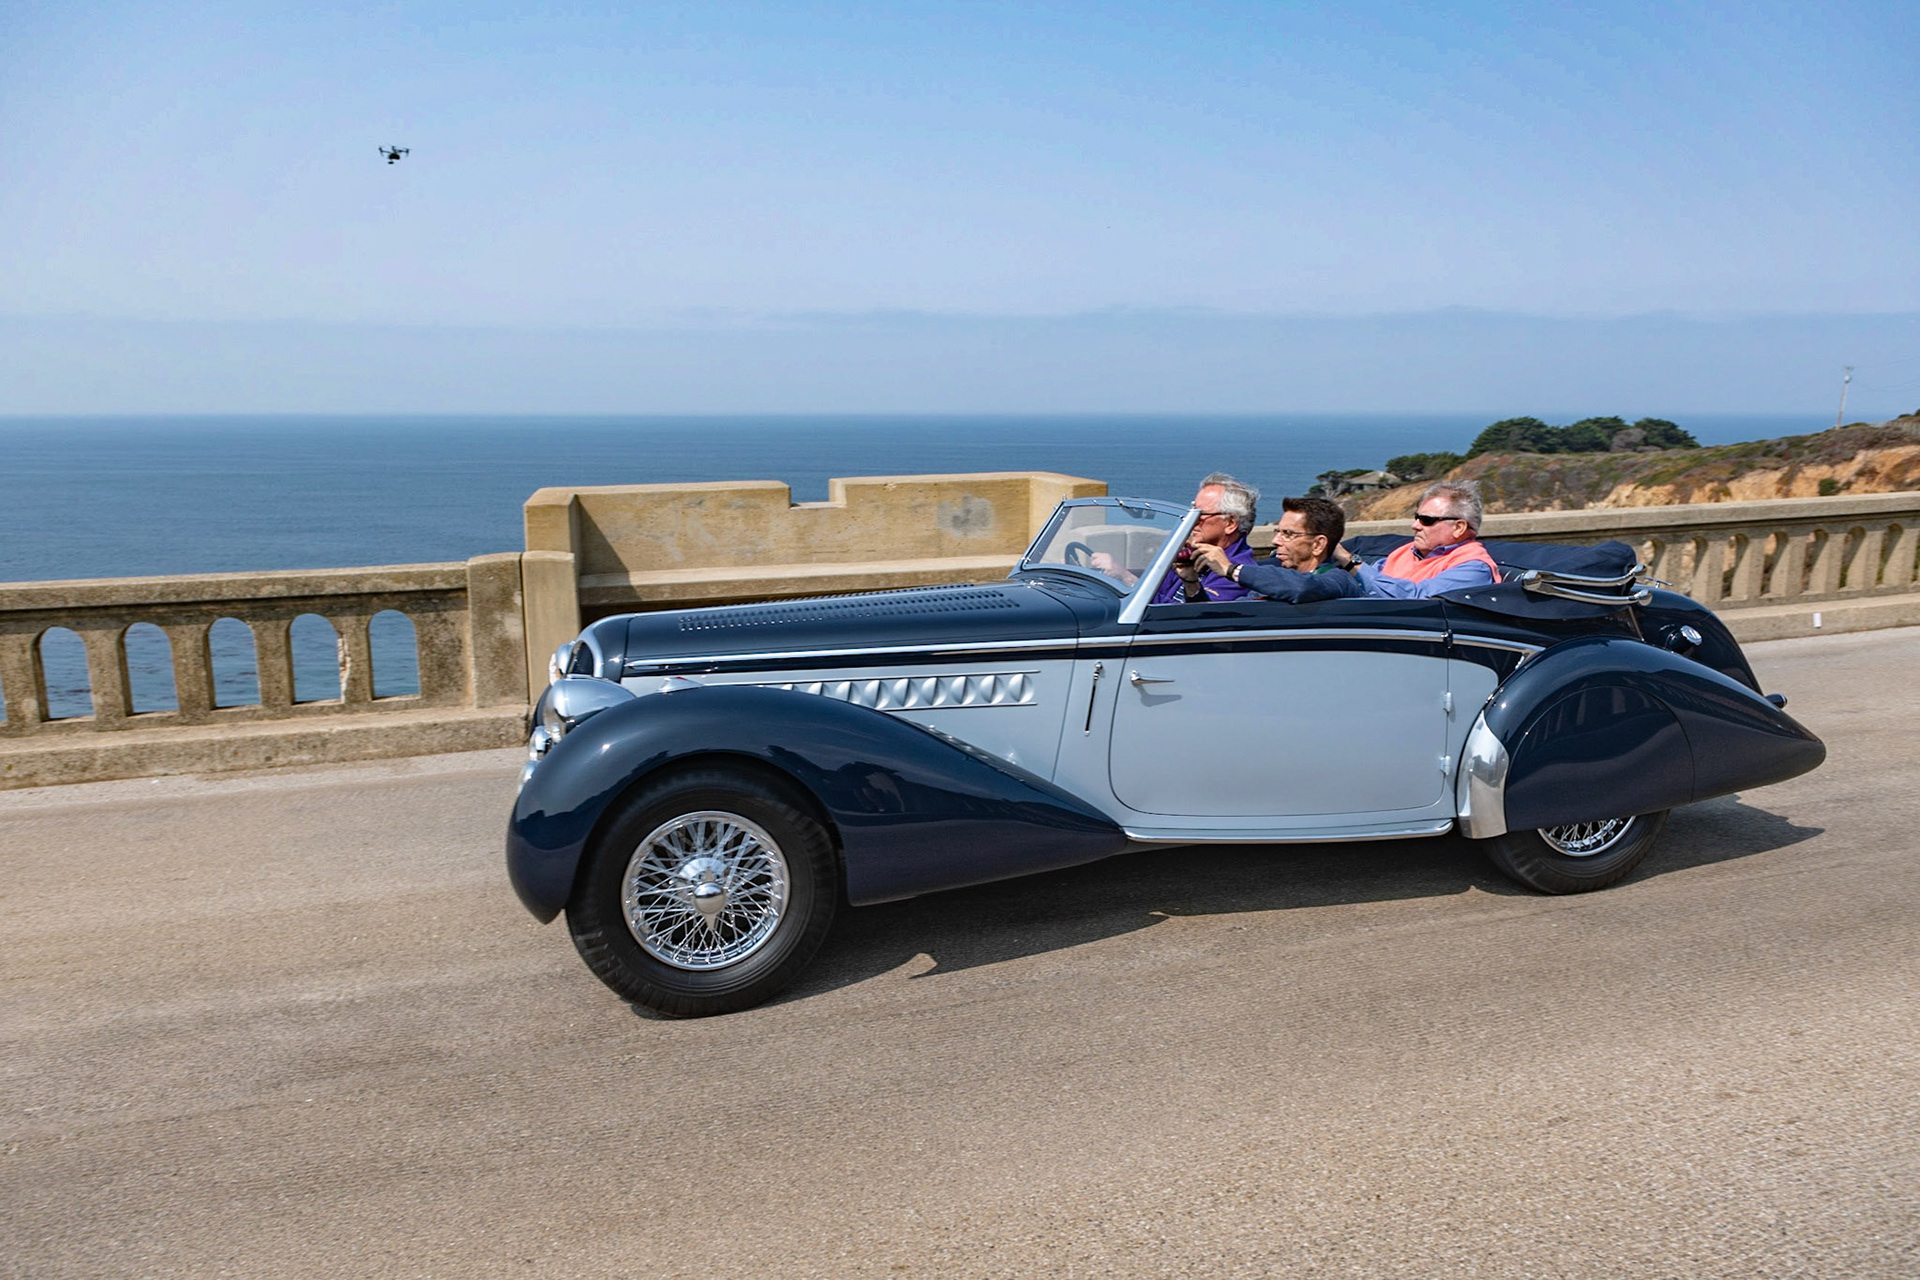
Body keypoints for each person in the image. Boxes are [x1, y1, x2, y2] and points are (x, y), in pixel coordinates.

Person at [1092, 473, 1258, 603]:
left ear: (1230, 523)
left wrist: (1125, 577)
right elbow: (1157, 593)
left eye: (1200, 514)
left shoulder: (1238, 573)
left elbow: (1194, 618)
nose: (1192, 521)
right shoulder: (1194, 555)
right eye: (1191, 512)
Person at [1339, 480, 1501, 598]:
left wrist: (1348, 560)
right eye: (1416, 517)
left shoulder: (1473, 568)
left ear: (1458, 528)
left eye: (1427, 520)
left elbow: (1416, 598)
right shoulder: (1405, 552)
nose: (1415, 525)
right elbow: (1367, 580)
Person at [1193, 495, 1364, 602]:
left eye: (1288, 534)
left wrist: (1231, 569)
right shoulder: (1271, 579)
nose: (1275, 541)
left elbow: (1302, 587)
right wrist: (1191, 582)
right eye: (1277, 532)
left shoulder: (1339, 580)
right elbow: (1225, 618)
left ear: (1318, 545)